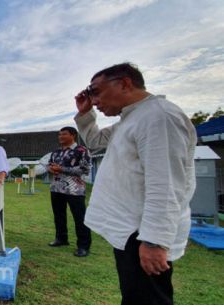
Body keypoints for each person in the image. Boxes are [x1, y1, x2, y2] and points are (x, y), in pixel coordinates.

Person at [74, 63, 196, 305]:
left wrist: (154, 240)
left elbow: (165, 183)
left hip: (143, 233)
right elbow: (97, 142)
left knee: (147, 299)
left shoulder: (159, 117)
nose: (95, 100)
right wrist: (86, 114)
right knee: (134, 296)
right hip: (132, 229)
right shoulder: (133, 118)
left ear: (125, 83)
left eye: (96, 91)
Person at [47, 127, 92, 257]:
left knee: (79, 218)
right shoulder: (55, 152)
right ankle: (61, 239)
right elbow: (50, 165)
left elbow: (84, 169)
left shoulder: (82, 151)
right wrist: (51, 169)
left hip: (75, 190)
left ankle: (83, 246)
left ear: (73, 135)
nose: (60, 137)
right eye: (59, 134)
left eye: (64, 134)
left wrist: (61, 169)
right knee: (59, 215)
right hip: (56, 188)